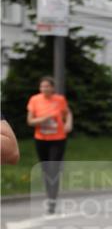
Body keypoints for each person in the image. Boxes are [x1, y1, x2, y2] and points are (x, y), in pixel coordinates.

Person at [26, 76, 73, 213]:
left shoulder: (59, 100)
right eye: (42, 86)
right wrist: (44, 119)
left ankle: (52, 200)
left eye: (47, 86)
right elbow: (30, 121)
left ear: (52, 87)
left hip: (58, 138)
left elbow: (68, 113)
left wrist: (68, 123)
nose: (44, 89)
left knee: (53, 169)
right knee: (46, 169)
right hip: (41, 139)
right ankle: (49, 194)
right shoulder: (34, 100)